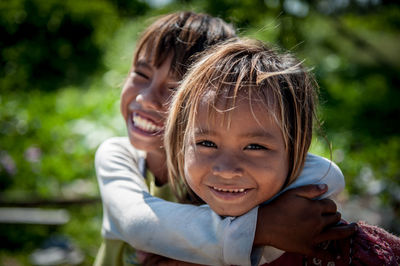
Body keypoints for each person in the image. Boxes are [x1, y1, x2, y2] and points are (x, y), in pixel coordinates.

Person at [94, 12, 356, 266]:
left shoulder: (219, 167)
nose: (146, 98)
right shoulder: (118, 154)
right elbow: (134, 222)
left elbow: (326, 176)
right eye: (141, 75)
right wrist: (261, 228)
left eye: (175, 88)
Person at [164, 37, 400, 265]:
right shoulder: (168, 243)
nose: (226, 169)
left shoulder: (356, 255)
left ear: (296, 151)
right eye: (207, 143)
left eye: (255, 147)